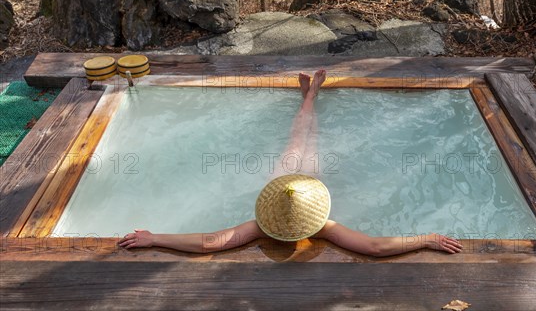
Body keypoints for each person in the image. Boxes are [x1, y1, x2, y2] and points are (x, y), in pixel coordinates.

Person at [118, 70, 462, 257]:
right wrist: (424, 239)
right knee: (308, 142)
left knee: (301, 142)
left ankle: (309, 99)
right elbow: (372, 247)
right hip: (300, 186)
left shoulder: (260, 225)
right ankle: (310, 98)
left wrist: (156, 237)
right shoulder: (324, 225)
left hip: (287, 182)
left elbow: (213, 242)